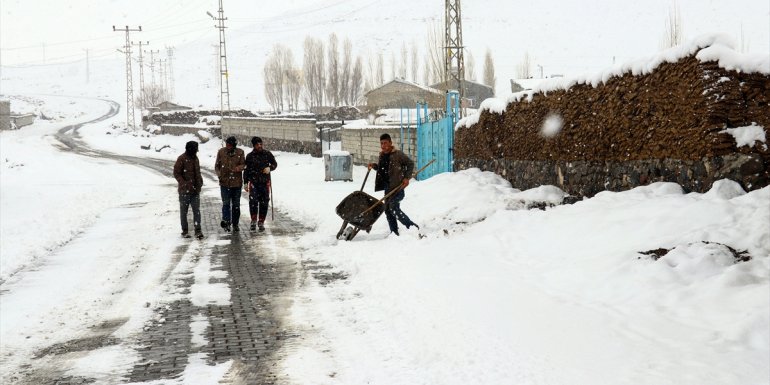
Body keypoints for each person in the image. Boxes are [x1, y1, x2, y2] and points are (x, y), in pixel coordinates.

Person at [367, 133, 419, 236]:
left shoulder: (398, 154)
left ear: (391, 143)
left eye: (385, 143)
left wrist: (406, 178)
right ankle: (394, 232)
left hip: (398, 187)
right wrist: (374, 166)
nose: (383, 145)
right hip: (387, 188)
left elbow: (410, 163)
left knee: (393, 208)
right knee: (387, 210)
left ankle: (412, 227)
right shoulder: (382, 155)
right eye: (381, 143)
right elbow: (382, 169)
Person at [243, 136, 277, 232]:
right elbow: (246, 170)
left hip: (265, 182)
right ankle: (253, 220)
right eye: (257, 144)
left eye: (261, 144)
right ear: (254, 145)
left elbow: (275, 164)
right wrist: (245, 182)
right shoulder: (249, 156)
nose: (260, 146)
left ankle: (261, 221)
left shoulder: (267, 154)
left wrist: (270, 168)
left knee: (264, 202)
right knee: (253, 202)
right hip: (253, 182)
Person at [173, 141, 204, 239]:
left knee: (196, 211)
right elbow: (176, 173)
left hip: (195, 190)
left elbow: (197, 172)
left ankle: (198, 230)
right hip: (184, 191)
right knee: (184, 212)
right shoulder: (181, 158)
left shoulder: (196, 158)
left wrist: (200, 181)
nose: (196, 151)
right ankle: (185, 230)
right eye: (195, 150)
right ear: (190, 149)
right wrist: (184, 183)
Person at [215, 136, 246, 232]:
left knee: (236, 205)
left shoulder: (240, 152)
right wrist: (220, 175)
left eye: (230, 145)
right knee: (226, 204)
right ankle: (227, 222)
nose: (227, 146)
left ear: (234, 145)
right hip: (224, 183)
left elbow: (244, 165)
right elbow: (217, 166)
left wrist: (238, 168)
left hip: (236, 184)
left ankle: (235, 224)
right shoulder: (221, 152)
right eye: (227, 144)